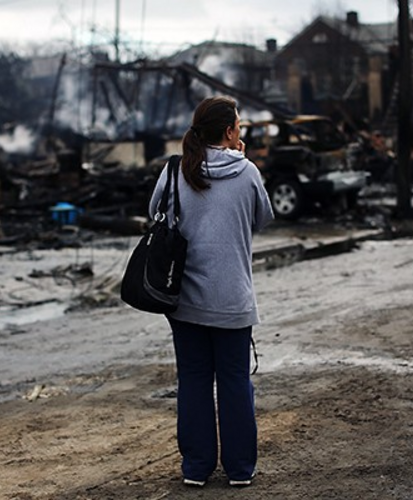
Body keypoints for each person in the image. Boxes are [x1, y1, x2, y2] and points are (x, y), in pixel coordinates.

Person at [148, 96, 274, 487]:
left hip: (184, 300)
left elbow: (154, 214)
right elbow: (263, 218)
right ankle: (239, 470)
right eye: (238, 124)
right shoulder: (248, 172)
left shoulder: (174, 170)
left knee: (194, 380)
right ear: (230, 132)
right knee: (235, 381)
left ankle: (196, 469)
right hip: (233, 299)